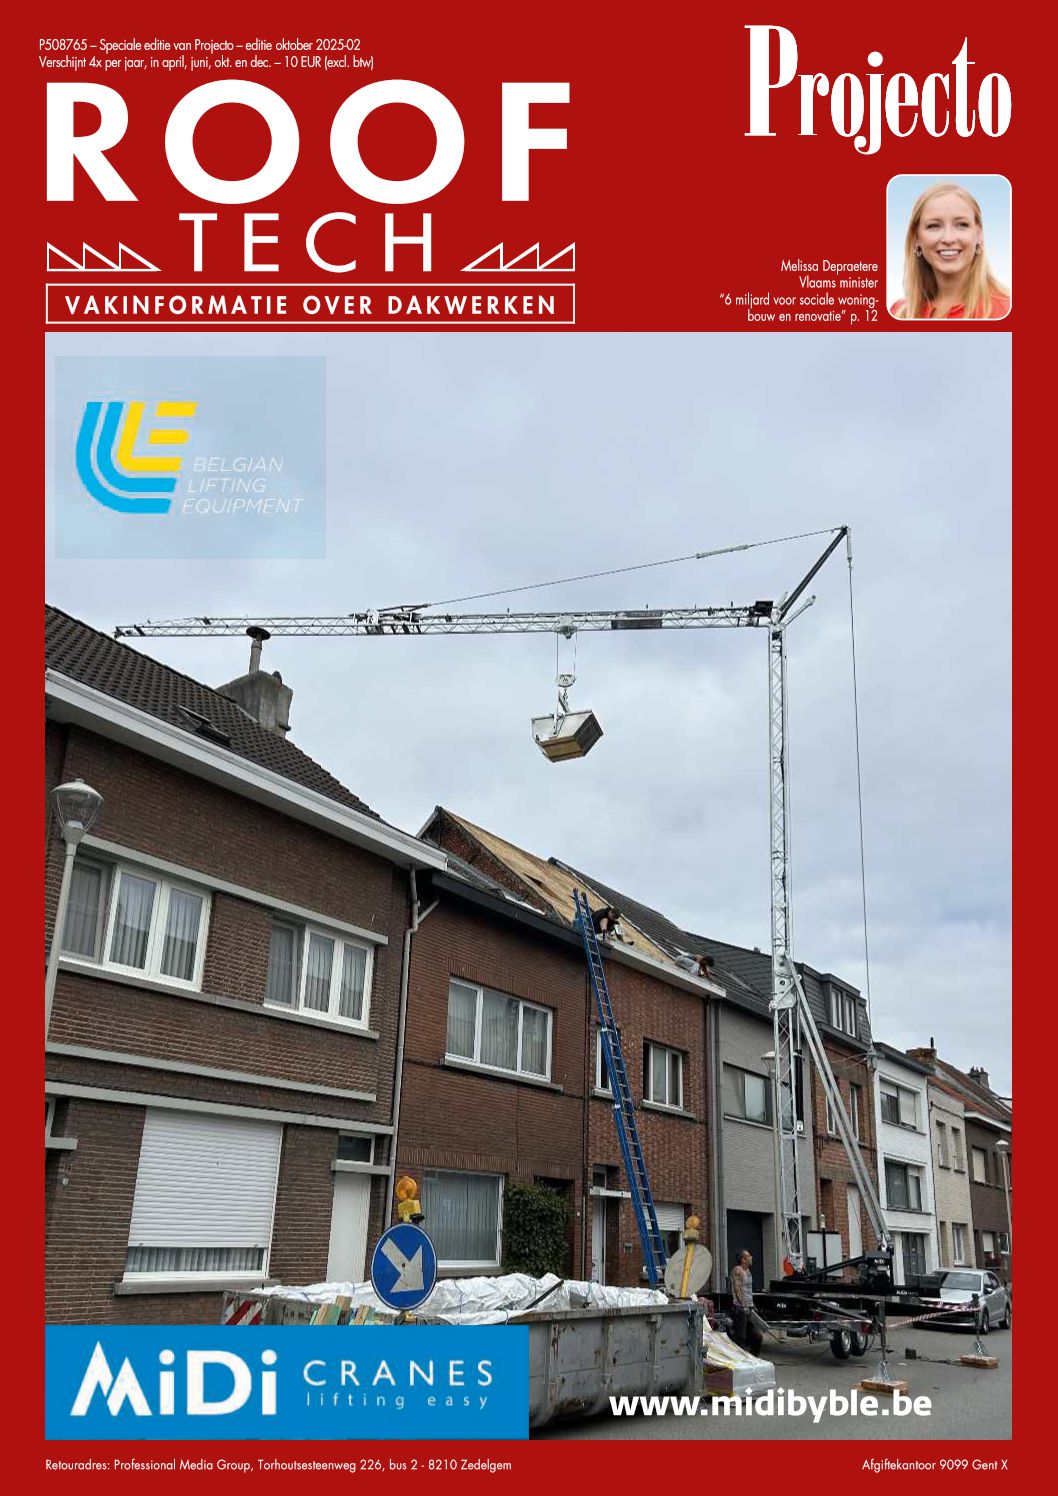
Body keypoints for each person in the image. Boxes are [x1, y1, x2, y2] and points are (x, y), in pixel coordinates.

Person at [891, 182, 1010, 320]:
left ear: (979, 234)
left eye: (962, 225)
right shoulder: (898, 313)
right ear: (916, 237)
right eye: (934, 226)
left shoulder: (1004, 311)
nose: (948, 238)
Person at [729, 1249, 764, 1355]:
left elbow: (748, 1291)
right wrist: (744, 1306)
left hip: (749, 1308)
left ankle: (753, 1359)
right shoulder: (737, 1270)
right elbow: (737, 1290)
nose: (751, 1257)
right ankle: (739, 1361)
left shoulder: (748, 1271)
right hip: (740, 1309)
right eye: (749, 1256)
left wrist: (752, 1305)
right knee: (741, 1338)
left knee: (758, 1337)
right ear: (743, 1259)